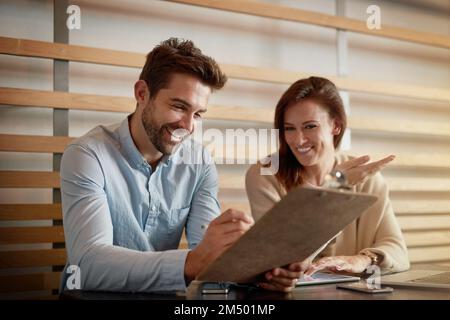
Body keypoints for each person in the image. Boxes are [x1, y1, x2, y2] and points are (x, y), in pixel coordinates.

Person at [60, 38, 307, 293]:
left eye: (198, 114)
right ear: (142, 94)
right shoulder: (87, 155)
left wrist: (264, 272)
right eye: (179, 106)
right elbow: (87, 265)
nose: (189, 126)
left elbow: (212, 261)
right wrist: (190, 263)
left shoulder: (199, 163)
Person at [246, 76, 410, 292]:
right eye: (289, 128)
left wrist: (361, 260)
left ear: (336, 126)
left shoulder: (366, 179)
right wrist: (334, 187)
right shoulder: (265, 174)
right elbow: (285, 258)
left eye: (310, 126)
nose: (298, 140)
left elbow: (398, 251)